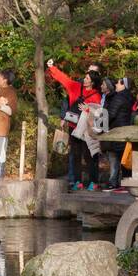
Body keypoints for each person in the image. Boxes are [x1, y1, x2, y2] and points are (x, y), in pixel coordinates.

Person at [48, 60, 103, 191]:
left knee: (90, 156)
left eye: (87, 78)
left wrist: (88, 109)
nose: (84, 79)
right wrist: (52, 67)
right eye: (85, 77)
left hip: (88, 131)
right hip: (74, 127)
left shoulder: (97, 96)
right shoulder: (76, 87)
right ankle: (77, 181)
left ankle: (93, 181)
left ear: (93, 82)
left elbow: (100, 114)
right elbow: (64, 79)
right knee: (75, 155)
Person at [103, 76, 133, 190]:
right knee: (124, 158)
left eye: (118, 84)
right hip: (126, 130)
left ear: (123, 85)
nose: (116, 85)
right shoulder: (130, 97)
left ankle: (113, 182)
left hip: (116, 131)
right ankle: (126, 182)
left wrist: (100, 126)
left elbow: (110, 114)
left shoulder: (118, 97)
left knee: (115, 157)